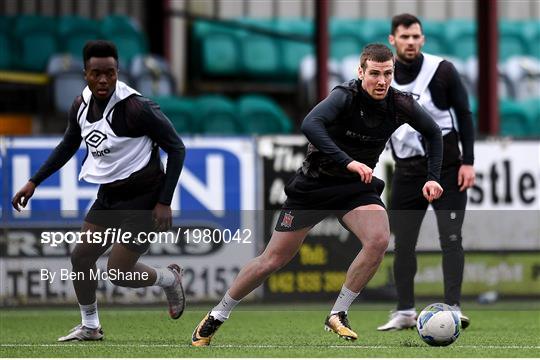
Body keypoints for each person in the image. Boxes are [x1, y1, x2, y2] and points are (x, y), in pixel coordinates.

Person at [191, 43, 444, 347]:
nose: (381, 81)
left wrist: (432, 178)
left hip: (355, 189)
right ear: (360, 72)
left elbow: (433, 133)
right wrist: (348, 161)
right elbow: (310, 124)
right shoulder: (344, 96)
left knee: (378, 239)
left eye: (387, 74)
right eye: (374, 73)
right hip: (314, 186)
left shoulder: (400, 103)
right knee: (272, 260)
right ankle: (218, 314)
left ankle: (338, 313)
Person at [11, 40, 187, 341]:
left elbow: (177, 148)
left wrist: (164, 201)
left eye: (109, 73)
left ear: (118, 72)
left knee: (119, 273)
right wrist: (34, 181)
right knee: (81, 257)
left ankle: (170, 278)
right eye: (96, 73)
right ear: (85, 74)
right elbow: (68, 144)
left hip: (144, 200)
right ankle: (90, 326)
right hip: (109, 197)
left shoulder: (137, 108)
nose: (103, 79)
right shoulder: (80, 105)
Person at [377, 14, 475, 331]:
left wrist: (468, 162)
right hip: (407, 170)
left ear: (423, 39)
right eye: (404, 37)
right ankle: (405, 311)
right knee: (403, 243)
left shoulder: (442, 70)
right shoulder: (383, 76)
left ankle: (454, 307)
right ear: (393, 40)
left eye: (416, 37)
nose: (411, 42)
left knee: (451, 238)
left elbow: (464, 114)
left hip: (447, 168)